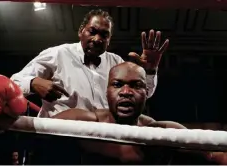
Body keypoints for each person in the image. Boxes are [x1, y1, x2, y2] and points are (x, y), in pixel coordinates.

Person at [50, 62, 222, 164]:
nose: (126, 91)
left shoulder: (161, 132)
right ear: (107, 92)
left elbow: (214, 156)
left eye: (135, 85)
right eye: (117, 84)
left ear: (147, 93)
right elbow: (33, 132)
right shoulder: (84, 122)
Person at [10, 9, 169, 117]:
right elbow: (13, 83)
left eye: (104, 35)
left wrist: (150, 71)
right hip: (58, 138)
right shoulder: (58, 54)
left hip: (100, 141)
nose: (97, 39)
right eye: (92, 32)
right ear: (81, 31)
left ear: (109, 39)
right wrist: (33, 82)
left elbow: (143, 94)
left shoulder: (117, 63)